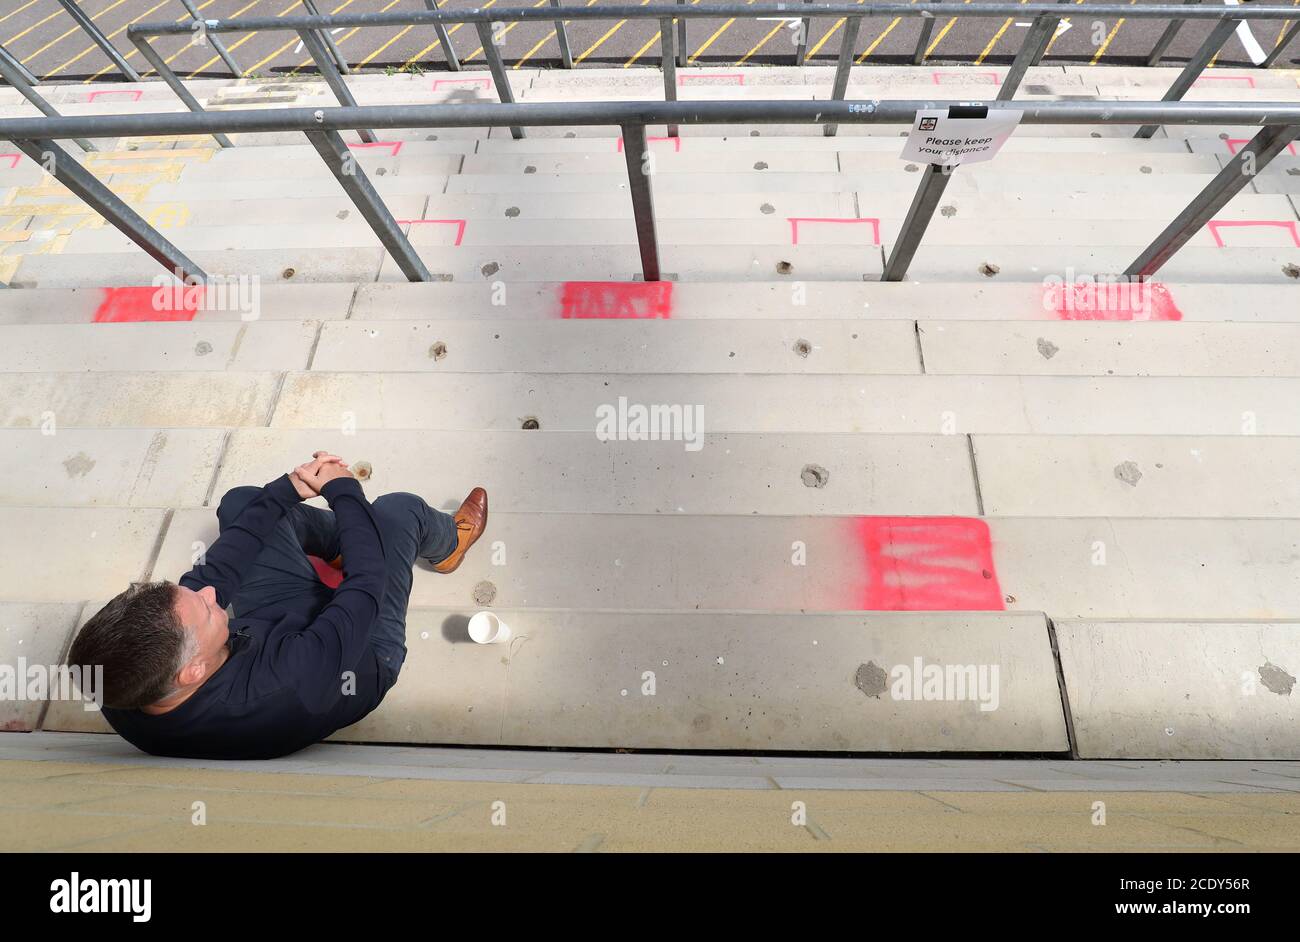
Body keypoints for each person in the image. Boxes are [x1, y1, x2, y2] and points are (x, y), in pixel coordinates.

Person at [65, 452, 488, 760]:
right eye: (208, 609)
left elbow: (213, 576)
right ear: (192, 670)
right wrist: (343, 491)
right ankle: (449, 544)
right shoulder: (288, 683)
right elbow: (365, 586)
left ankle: (346, 537)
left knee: (244, 503)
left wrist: (286, 490)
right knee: (397, 512)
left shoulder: (117, 679)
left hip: (268, 629)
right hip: (357, 653)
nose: (213, 596)